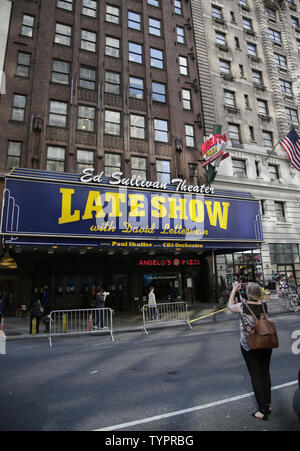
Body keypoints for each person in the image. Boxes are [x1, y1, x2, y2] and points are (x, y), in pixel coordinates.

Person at [227, 281, 273, 421]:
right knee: (265, 374)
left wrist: (234, 289)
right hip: (266, 343)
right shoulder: (265, 305)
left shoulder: (242, 306)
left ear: (248, 293)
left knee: (256, 376)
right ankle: (267, 405)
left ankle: (262, 411)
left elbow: (229, 306)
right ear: (258, 292)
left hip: (250, 345)